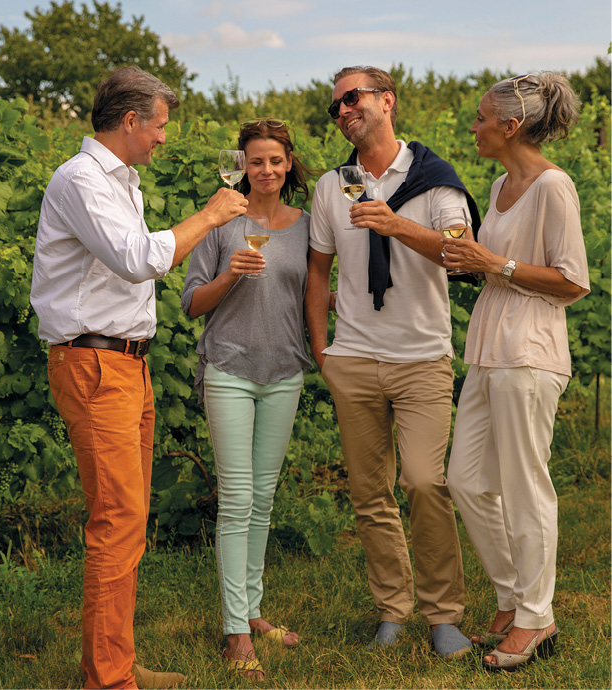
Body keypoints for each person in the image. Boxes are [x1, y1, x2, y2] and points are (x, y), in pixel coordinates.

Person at [30, 65, 247, 689]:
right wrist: (209, 216)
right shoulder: (82, 180)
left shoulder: (121, 182)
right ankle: (107, 679)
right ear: (130, 121)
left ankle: (114, 664)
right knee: (116, 521)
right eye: (158, 127)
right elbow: (137, 259)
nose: (161, 139)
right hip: (96, 364)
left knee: (127, 518)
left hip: (125, 363)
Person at [305, 65, 481, 658]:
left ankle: (444, 614)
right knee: (369, 493)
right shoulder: (334, 185)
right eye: (335, 106)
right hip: (352, 358)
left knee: (426, 484)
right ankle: (392, 609)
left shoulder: (435, 181)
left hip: (421, 357)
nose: (343, 111)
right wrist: (320, 350)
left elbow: (463, 257)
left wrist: (394, 224)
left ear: (387, 100)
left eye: (352, 98)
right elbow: (317, 272)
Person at [443, 73, 589, 671]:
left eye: (480, 118)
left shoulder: (554, 187)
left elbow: (573, 281)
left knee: (527, 487)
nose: (472, 127)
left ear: (511, 125)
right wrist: (471, 261)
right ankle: (513, 597)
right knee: (467, 480)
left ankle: (536, 618)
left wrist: (493, 261)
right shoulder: (501, 183)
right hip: (488, 348)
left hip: (529, 350)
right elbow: (492, 265)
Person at [181, 119, 312, 680]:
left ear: (288, 165)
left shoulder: (307, 226)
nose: (266, 170)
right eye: (256, 161)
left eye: (275, 161)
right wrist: (232, 275)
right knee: (237, 499)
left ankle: (252, 612)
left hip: (284, 372)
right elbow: (191, 304)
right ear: (241, 166)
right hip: (230, 369)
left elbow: (318, 293)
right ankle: (237, 631)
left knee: (263, 497)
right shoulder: (222, 220)